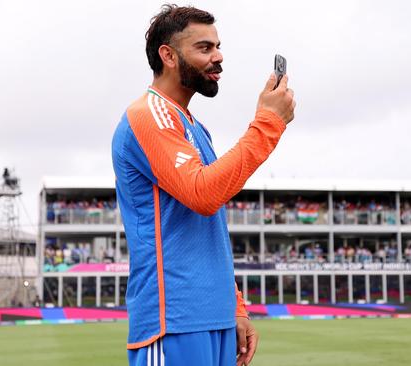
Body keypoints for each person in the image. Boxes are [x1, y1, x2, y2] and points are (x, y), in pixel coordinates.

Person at [111, 5, 295, 366]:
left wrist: (236, 306)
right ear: (169, 56)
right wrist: (268, 124)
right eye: (205, 48)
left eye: (218, 46)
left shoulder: (195, 126)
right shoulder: (148, 114)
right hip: (173, 320)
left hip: (215, 318)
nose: (219, 57)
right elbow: (204, 195)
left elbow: (210, 229)